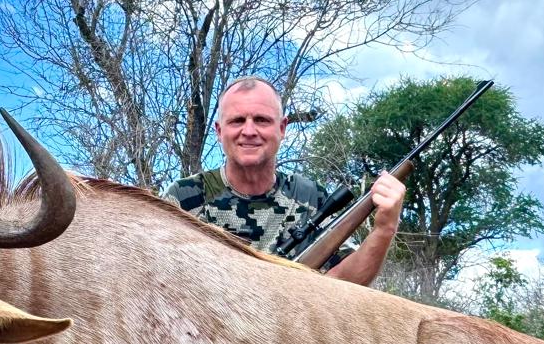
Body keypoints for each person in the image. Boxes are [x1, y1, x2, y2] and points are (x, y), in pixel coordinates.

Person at [163, 76, 405, 286]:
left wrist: (384, 230)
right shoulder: (184, 198)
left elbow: (344, 283)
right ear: (219, 131)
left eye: (261, 120)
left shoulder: (311, 197)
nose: (249, 131)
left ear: (282, 128)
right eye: (237, 120)